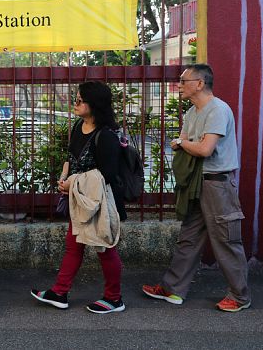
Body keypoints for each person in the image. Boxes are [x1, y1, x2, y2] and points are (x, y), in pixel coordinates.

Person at [142, 64, 251, 312]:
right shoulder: (192, 112)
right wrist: (186, 142)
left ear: (200, 83)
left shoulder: (218, 110)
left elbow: (203, 149)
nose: (179, 84)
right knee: (189, 238)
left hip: (217, 184)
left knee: (226, 240)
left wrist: (182, 142)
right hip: (197, 183)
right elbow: (189, 144)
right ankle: (172, 289)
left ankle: (240, 296)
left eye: (183, 80)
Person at [31, 81, 127, 314]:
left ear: (94, 104)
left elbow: (107, 174)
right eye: (76, 98)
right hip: (80, 199)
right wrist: (65, 178)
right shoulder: (78, 126)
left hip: (100, 203)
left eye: (80, 100)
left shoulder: (106, 136)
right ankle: (59, 292)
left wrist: (73, 183)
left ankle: (114, 299)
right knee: (73, 247)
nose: (75, 103)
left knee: (105, 249)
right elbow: (71, 157)